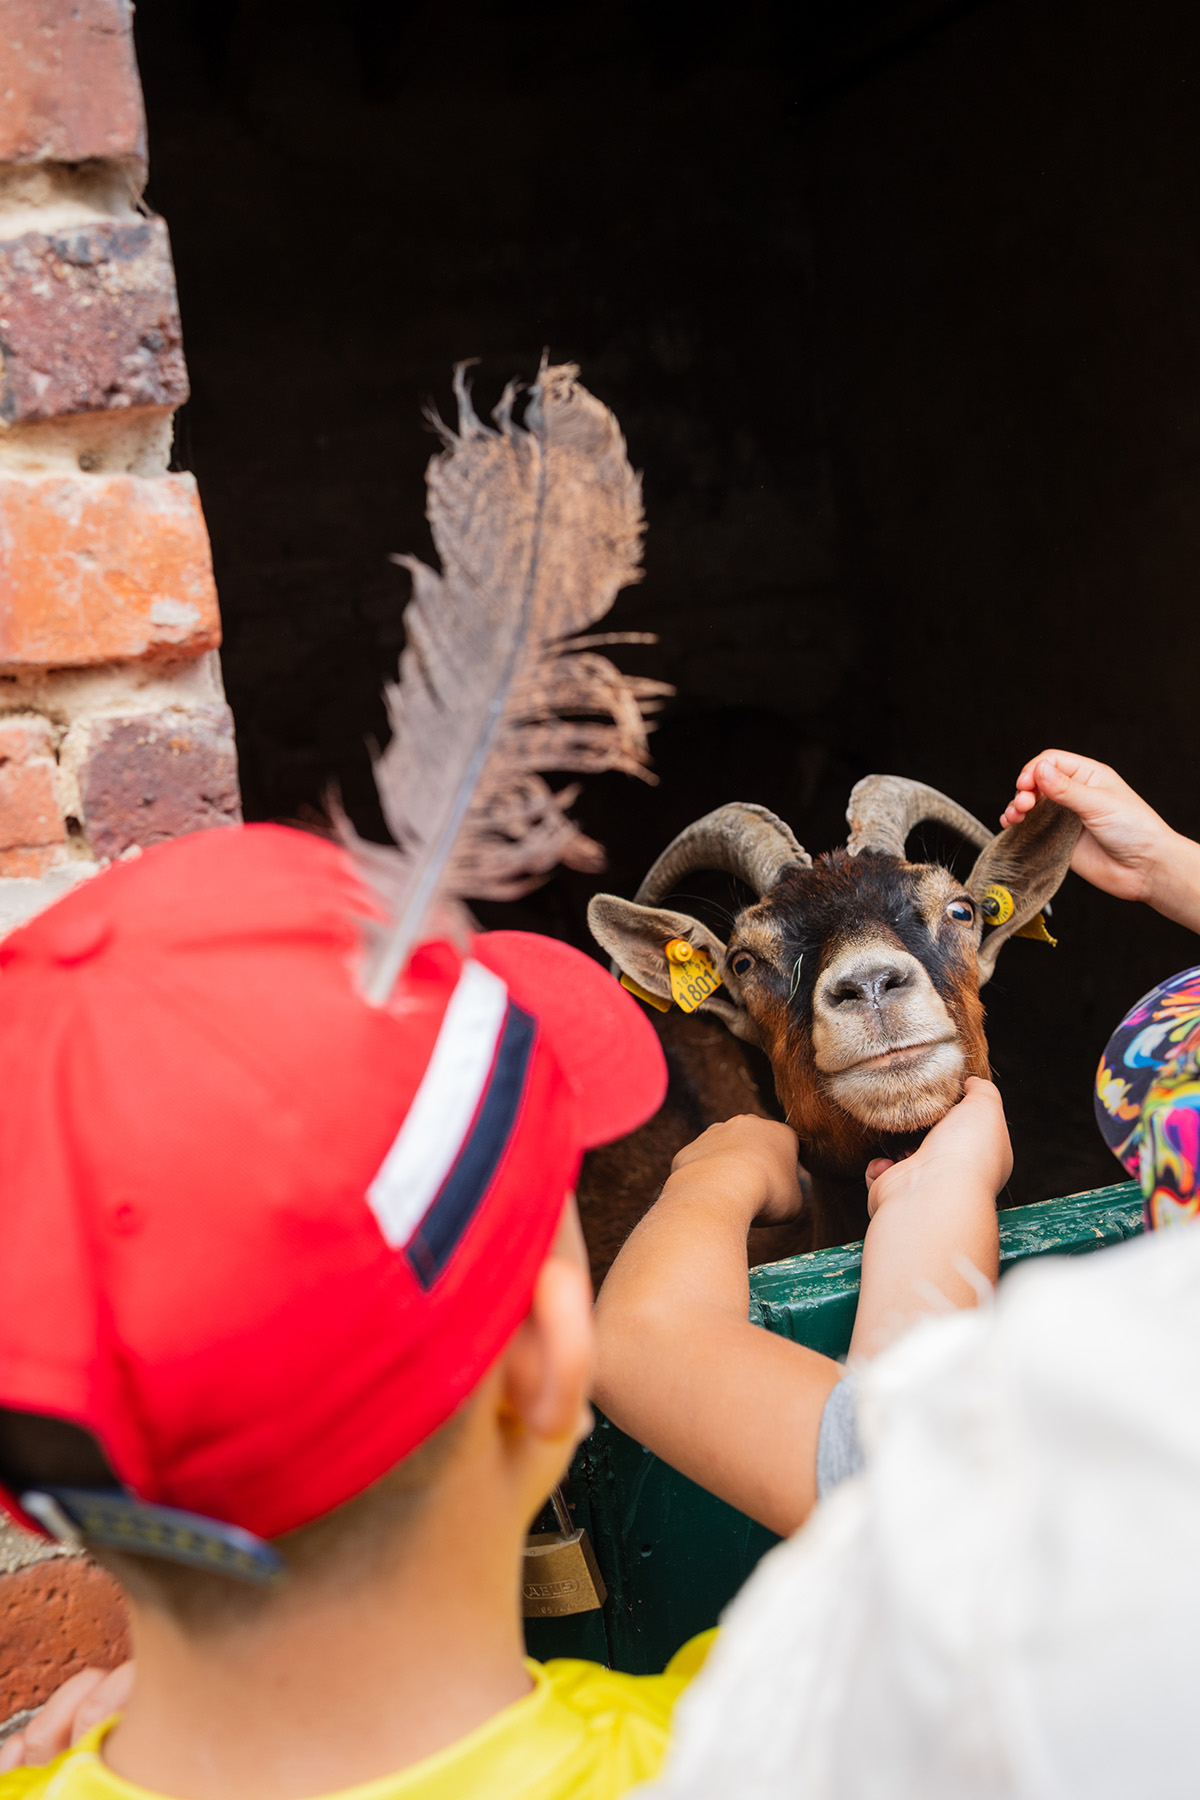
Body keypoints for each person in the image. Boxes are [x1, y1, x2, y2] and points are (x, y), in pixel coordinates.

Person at [0, 820, 1006, 1799]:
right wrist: (930, 1240)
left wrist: (211, 1698)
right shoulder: (764, 1745)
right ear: (545, 1361)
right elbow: (948, 1574)